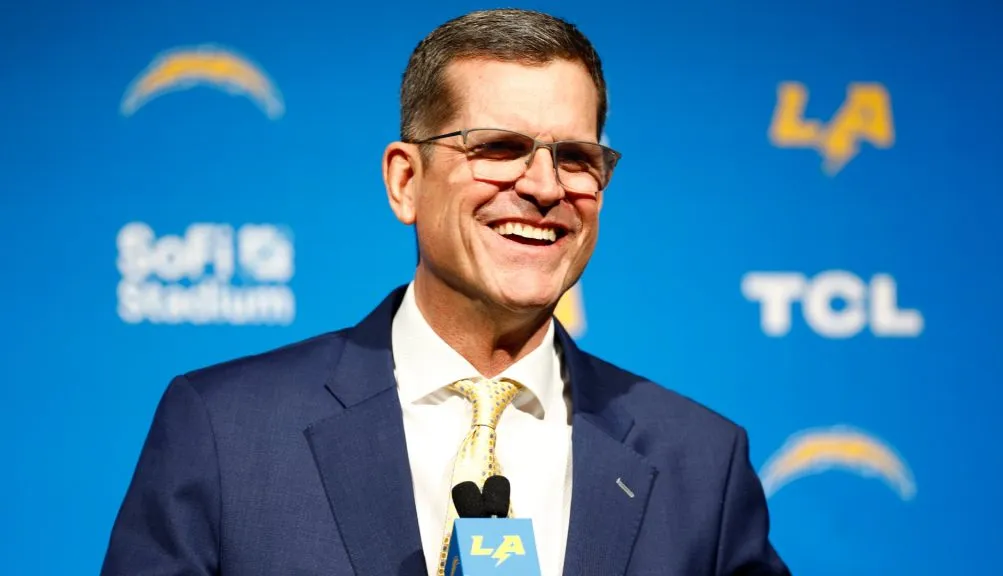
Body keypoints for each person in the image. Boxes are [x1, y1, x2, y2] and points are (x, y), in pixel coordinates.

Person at [101, 8, 789, 576]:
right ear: (406, 181)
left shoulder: (701, 463)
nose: (546, 187)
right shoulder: (227, 433)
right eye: (499, 147)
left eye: (576, 158)